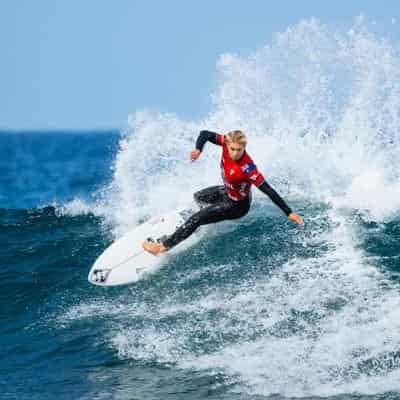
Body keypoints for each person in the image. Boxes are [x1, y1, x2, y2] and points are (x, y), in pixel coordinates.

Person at [142, 130, 304, 255]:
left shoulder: (248, 168)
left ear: (244, 148)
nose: (234, 153)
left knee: (196, 218)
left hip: (237, 206)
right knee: (198, 197)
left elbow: (269, 190)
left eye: (239, 150)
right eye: (232, 149)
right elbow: (205, 134)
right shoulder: (226, 143)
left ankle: (162, 247)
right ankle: (195, 225)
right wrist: (198, 149)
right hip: (226, 191)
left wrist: (289, 212)